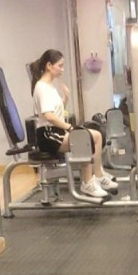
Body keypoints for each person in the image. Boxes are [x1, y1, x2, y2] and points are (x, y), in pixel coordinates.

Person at [29, 49, 117, 199]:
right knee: (83, 138)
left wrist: (65, 99)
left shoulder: (50, 86)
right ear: (49, 65)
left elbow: (56, 112)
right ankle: (87, 183)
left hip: (56, 130)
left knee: (96, 136)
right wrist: (69, 127)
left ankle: (98, 175)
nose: (62, 69)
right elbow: (48, 116)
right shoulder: (41, 87)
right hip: (47, 134)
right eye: (60, 66)